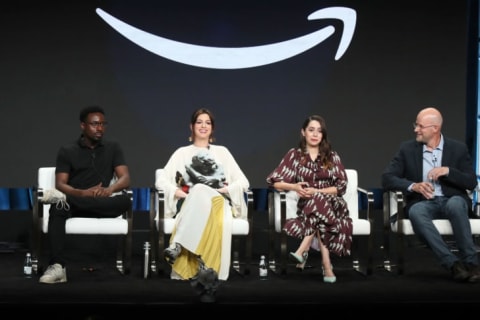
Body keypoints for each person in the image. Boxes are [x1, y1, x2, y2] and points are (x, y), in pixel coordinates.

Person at [156, 107, 250, 302]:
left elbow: (243, 182)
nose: (203, 126)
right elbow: (161, 179)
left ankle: (178, 245)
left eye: (207, 123)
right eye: (199, 122)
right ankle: (200, 263)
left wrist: (224, 190)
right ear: (191, 127)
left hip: (217, 202)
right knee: (197, 190)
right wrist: (176, 192)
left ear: (212, 128)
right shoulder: (181, 153)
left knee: (199, 188)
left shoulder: (222, 152)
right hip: (190, 204)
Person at [382, 106, 480, 283]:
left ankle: (471, 263)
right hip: (425, 202)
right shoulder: (407, 149)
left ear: (435, 128)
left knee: (456, 204)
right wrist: (414, 186)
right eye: (416, 125)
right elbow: (387, 178)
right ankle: (452, 264)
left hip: (452, 199)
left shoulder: (458, 149)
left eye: (420, 126)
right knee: (416, 211)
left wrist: (449, 171)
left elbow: (471, 182)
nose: (415, 129)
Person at [38, 105, 131, 284]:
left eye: (103, 124)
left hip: (102, 204)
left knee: (125, 200)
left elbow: (125, 178)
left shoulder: (113, 148)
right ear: (83, 126)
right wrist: (82, 193)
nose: (100, 128)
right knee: (59, 207)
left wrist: (109, 190)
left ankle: (67, 199)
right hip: (75, 204)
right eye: (95, 124)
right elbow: (60, 183)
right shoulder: (68, 150)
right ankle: (58, 267)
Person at [266, 115, 353, 283]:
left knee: (318, 199)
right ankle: (326, 267)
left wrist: (317, 191)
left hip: (334, 206)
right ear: (303, 132)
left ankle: (303, 249)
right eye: (311, 130)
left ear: (323, 135)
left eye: (319, 131)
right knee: (317, 208)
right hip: (307, 208)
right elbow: (274, 181)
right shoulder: (294, 156)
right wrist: (295, 187)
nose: (315, 134)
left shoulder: (332, 156)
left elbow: (341, 187)